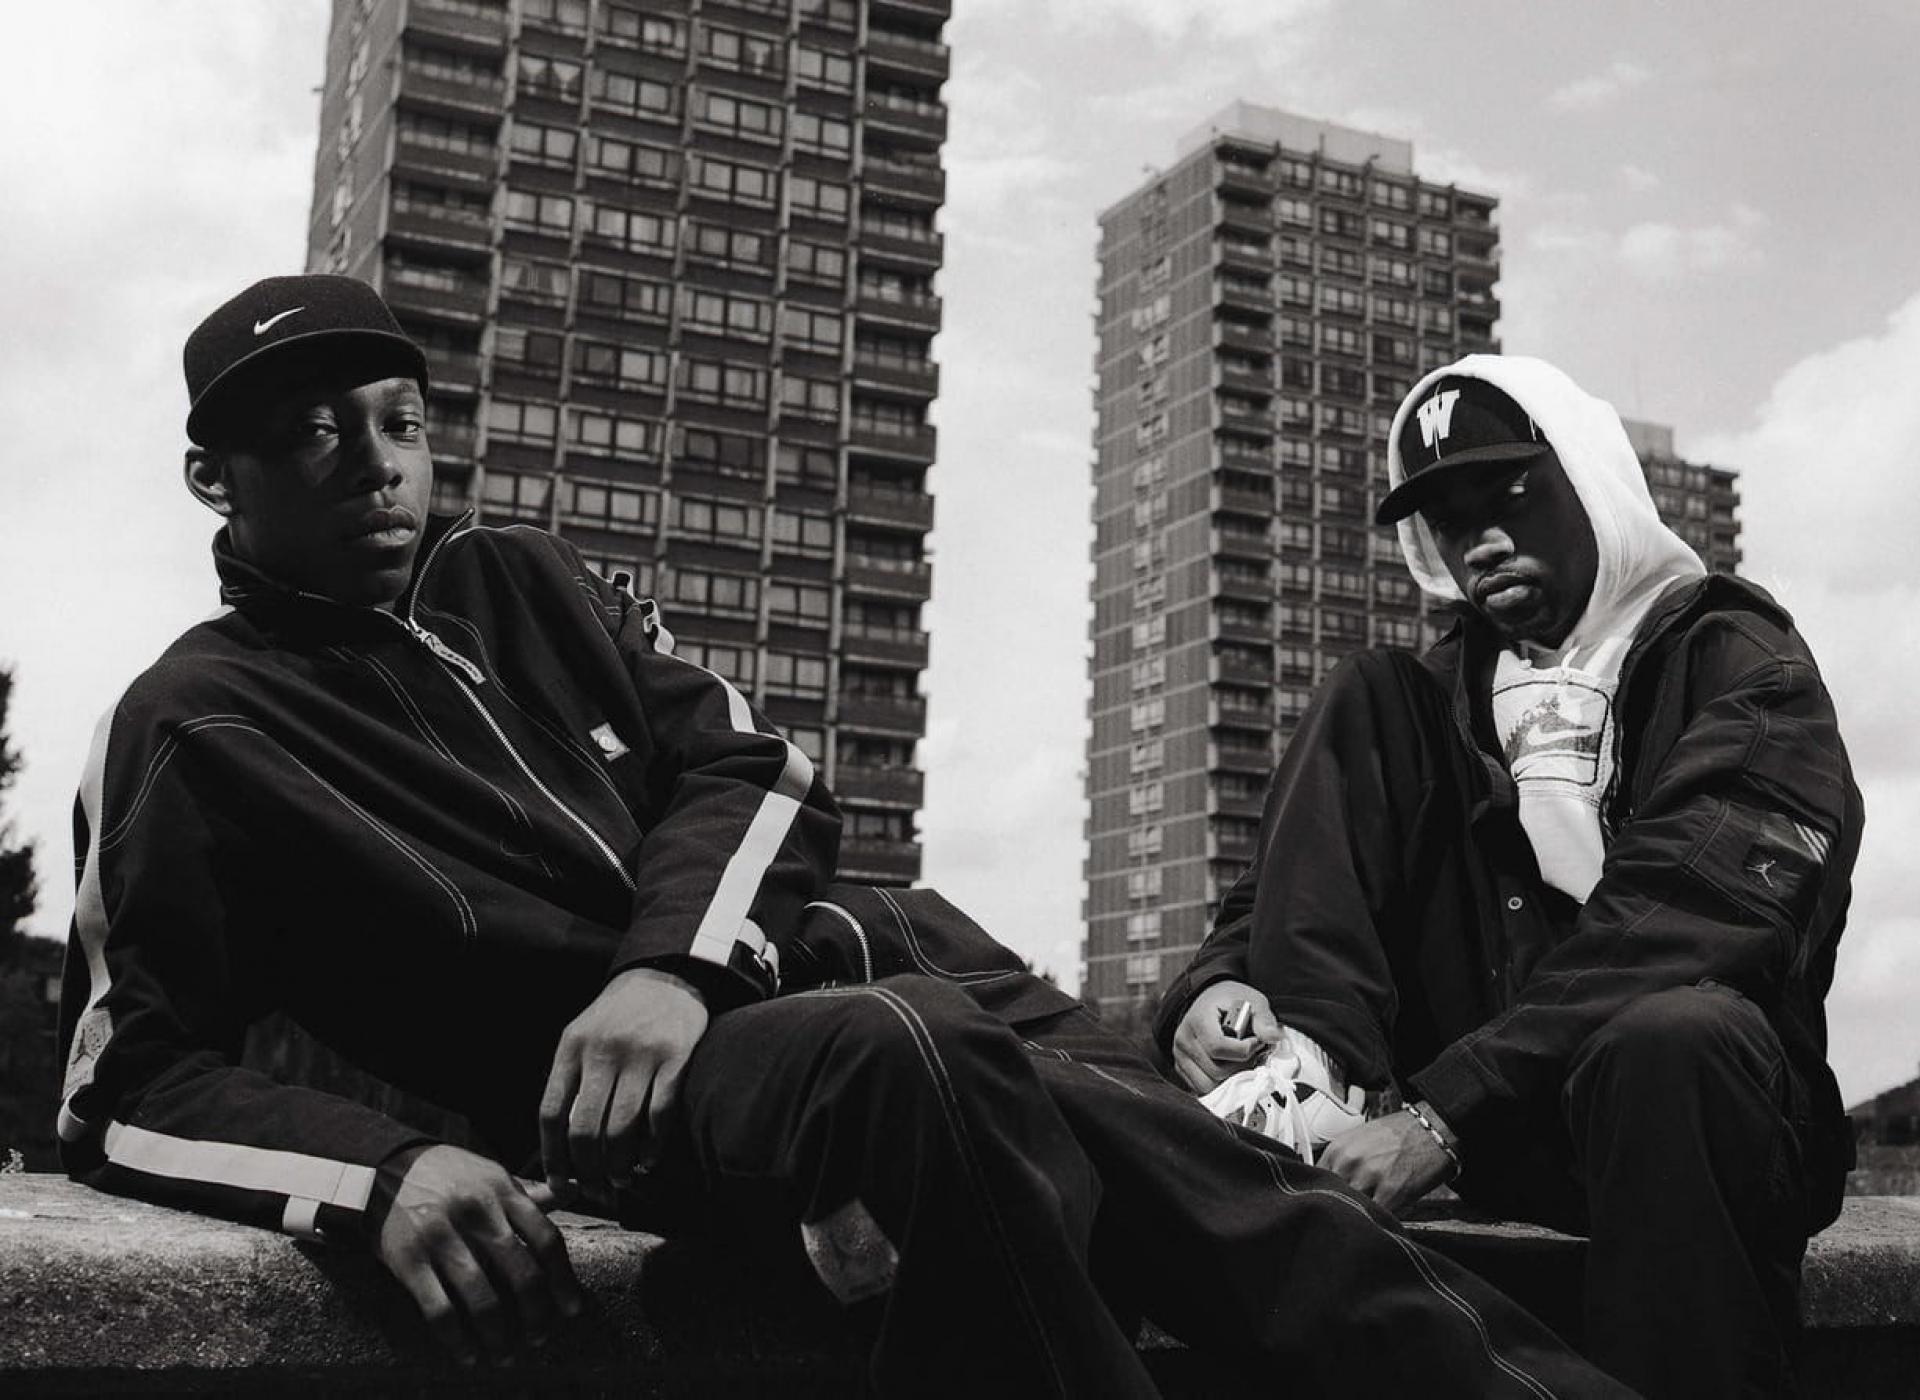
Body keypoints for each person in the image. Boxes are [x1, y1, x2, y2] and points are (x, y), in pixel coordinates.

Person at [57, 276, 1632, 1397]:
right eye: (316, 432)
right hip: (659, 1096)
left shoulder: (523, 578)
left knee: (1216, 1178)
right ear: (218, 475)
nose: (376, 460)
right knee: (917, 1056)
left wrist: (673, 962)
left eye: (397, 419)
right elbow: (128, 1073)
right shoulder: (199, 724)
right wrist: (381, 1174)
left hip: (867, 971)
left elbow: (755, 768)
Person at [1158, 353, 1862, 1399]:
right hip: (1497, 1125)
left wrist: (1443, 1114)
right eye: (1448, 517)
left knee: (1673, 1031)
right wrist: (1213, 983)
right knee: (1365, 690)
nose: (1480, 539)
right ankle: (1315, 1077)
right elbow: (1301, 875)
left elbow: (1692, 915)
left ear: (1592, 481)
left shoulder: (1742, 663)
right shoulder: (1434, 694)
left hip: (1687, 1122)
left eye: (1512, 496)